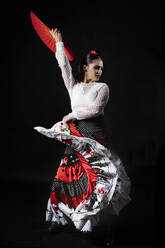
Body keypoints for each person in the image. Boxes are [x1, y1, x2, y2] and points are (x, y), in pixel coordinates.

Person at [34, 28, 131, 237]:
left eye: (101, 68)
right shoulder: (74, 87)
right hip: (76, 139)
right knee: (64, 177)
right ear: (85, 68)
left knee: (100, 183)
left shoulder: (102, 87)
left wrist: (71, 115)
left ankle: (105, 229)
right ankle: (58, 218)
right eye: (96, 68)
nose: (99, 72)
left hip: (96, 138)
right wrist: (59, 43)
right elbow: (63, 67)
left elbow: (94, 110)